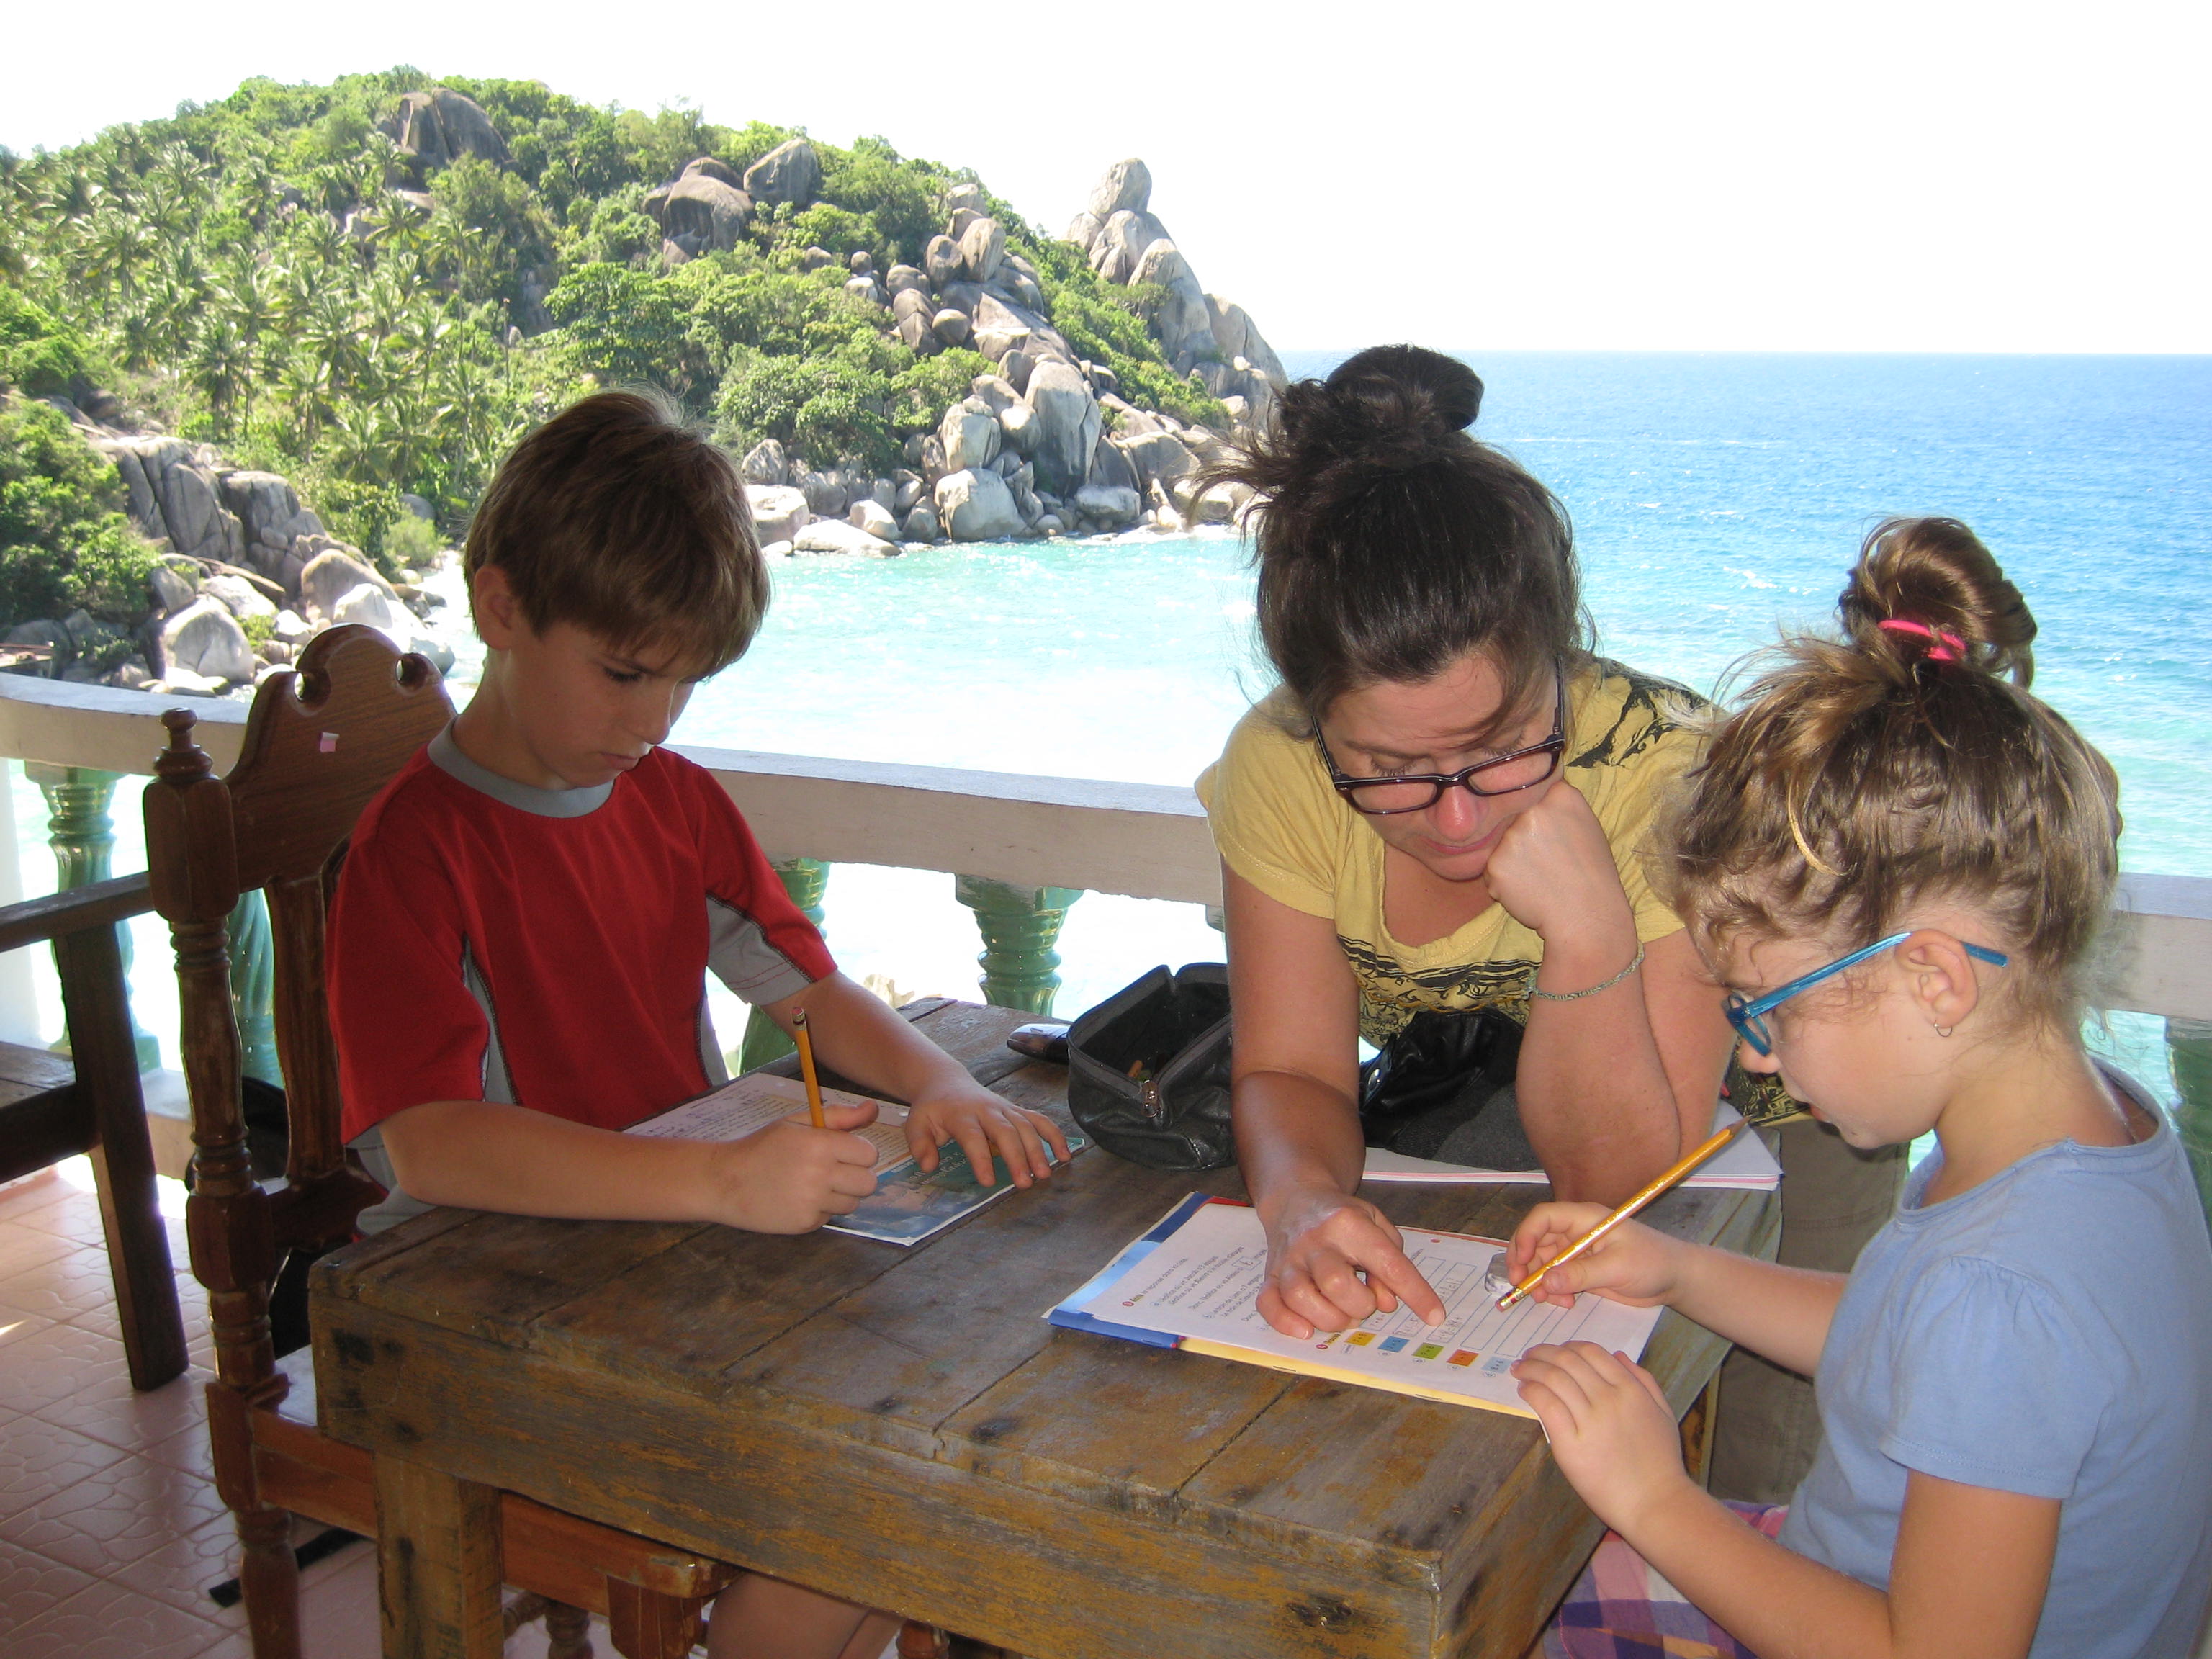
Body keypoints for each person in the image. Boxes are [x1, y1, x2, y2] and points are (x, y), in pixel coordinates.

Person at [328, 389, 1069, 1659]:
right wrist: (722, 1181)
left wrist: (943, 1082)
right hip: (488, 1301)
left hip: (673, 1262)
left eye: (682, 683)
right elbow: (429, 1146)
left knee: (939, 1438)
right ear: (502, 610)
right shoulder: (415, 850)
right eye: (623, 673)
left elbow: (809, 991)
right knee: (879, 1495)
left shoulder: (674, 803)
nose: (652, 721)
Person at [1507, 517, 2212, 1659]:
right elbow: (1907, 1347)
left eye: (1766, 1008)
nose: (1755, 1056)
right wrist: (1678, 1269)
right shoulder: (2095, 1133)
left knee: (1506, 1605)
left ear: (1929, 979)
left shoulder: (2003, 1294)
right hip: (1855, 1574)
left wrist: (1656, 1500)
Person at [1195, 345, 1884, 1495]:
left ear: (1557, 664)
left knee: (1776, 1503)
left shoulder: (1669, 779)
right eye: (1392, 769)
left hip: (1792, 1137)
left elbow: (1625, 1174)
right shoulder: (1279, 769)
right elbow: (1292, 1071)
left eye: (1503, 748)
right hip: (1527, 1132)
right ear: (1318, 724)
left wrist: (1594, 934)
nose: (1459, 816)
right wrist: (1303, 1201)